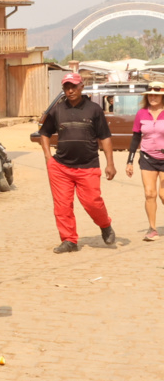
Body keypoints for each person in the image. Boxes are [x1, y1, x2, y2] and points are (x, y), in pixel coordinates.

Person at [38, 73, 116, 253]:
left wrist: (110, 163)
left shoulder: (94, 109)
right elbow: (44, 133)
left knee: (92, 202)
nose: (70, 90)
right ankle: (69, 240)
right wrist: (48, 157)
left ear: (82, 86)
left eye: (73, 86)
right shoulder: (57, 110)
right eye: (66, 87)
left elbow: (105, 137)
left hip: (88, 166)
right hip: (61, 167)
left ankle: (105, 225)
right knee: (62, 206)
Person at [125, 81, 164, 241]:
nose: (153, 97)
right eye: (150, 95)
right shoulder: (141, 114)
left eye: (157, 95)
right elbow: (135, 138)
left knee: (163, 194)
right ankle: (152, 229)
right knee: (150, 194)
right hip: (147, 158)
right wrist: (130, 161)